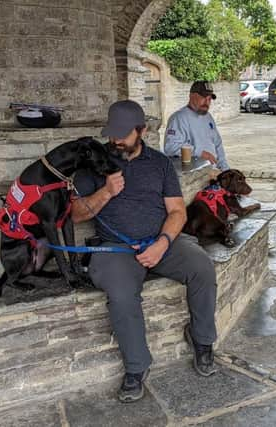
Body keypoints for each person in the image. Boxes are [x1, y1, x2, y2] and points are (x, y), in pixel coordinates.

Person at [71, 100, 218, 403]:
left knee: (202, 266)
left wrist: (163, 242)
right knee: (122, 292)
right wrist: (106, 192)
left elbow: (177, 211)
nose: (115, 141)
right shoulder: (94, 163)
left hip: (162, 240)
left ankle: (202, 340)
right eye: (112, 133)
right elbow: (75, 214)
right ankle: (137, 367)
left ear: (142, 131)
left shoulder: (160, 163)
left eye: (123, 134)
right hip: (116, 248)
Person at [163, 81, 230, 171]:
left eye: (209, 99)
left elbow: (218, 144)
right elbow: (170, 147)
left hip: (213, 172)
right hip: (195, 176)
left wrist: (225, 169)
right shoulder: (178, 118)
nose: (207, 102)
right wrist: (199, 152)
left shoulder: (208, 117)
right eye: (203, 98)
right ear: (192, 96)